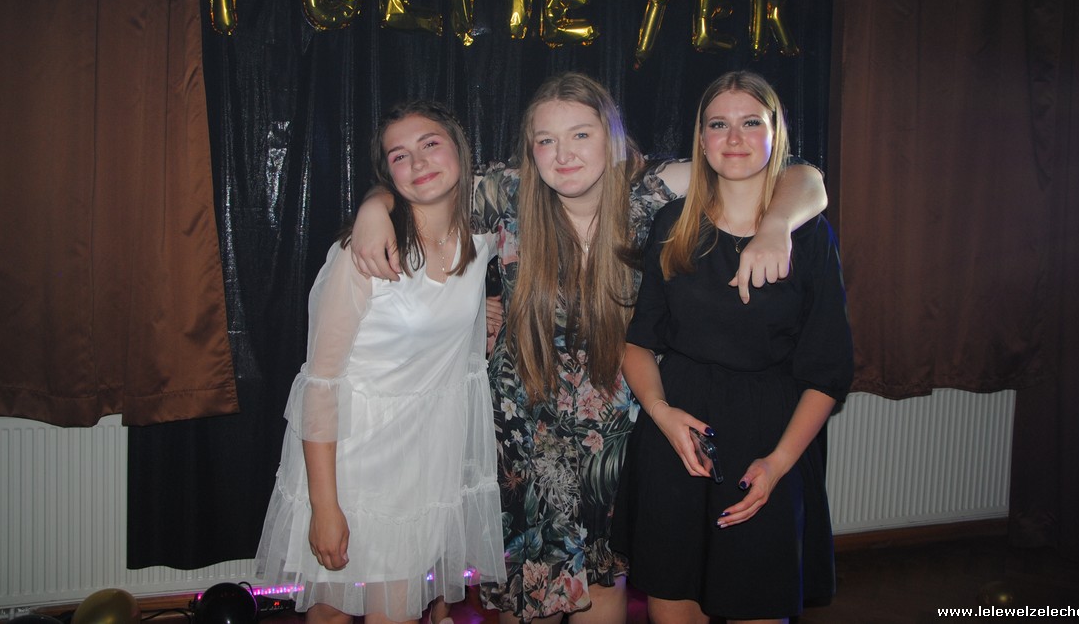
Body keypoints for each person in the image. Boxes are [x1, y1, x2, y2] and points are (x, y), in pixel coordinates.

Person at [350, 73, 827, 623]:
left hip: (620, 431)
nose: (564, 154)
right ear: (531, 150)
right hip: (523, 435)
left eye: (580, 134)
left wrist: (777, 225)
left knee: (604, 585)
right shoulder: (506, 192)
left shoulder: (652, 190)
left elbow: (800, 174)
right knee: (529, 596)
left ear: (612, 138)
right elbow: (421, 181)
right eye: (546, 140)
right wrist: (373, 206)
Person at [612, 71, 853, 624]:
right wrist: (662, 414)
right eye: (719, 124)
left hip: (768, 443)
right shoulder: (673, 224)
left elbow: (828, 373)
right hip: (678, 441)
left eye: (751, 123)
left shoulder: (809, 236)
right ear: (701, 140)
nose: (735, 138)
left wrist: (779, 463)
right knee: (673, 603)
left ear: (775, 135)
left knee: (757, 602)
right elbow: (638, 343)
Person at [255, 100, 505, 624]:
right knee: (331, 613)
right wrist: (325, 507)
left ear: (460, 150)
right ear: (387, 174)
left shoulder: (480, 242)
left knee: (397, 613)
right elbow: (320, 385)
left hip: (421, 466)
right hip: (349, 462)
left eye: (430, 144)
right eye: (399, 155)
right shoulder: (363, 254)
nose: (418, 162)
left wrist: (480, 320)